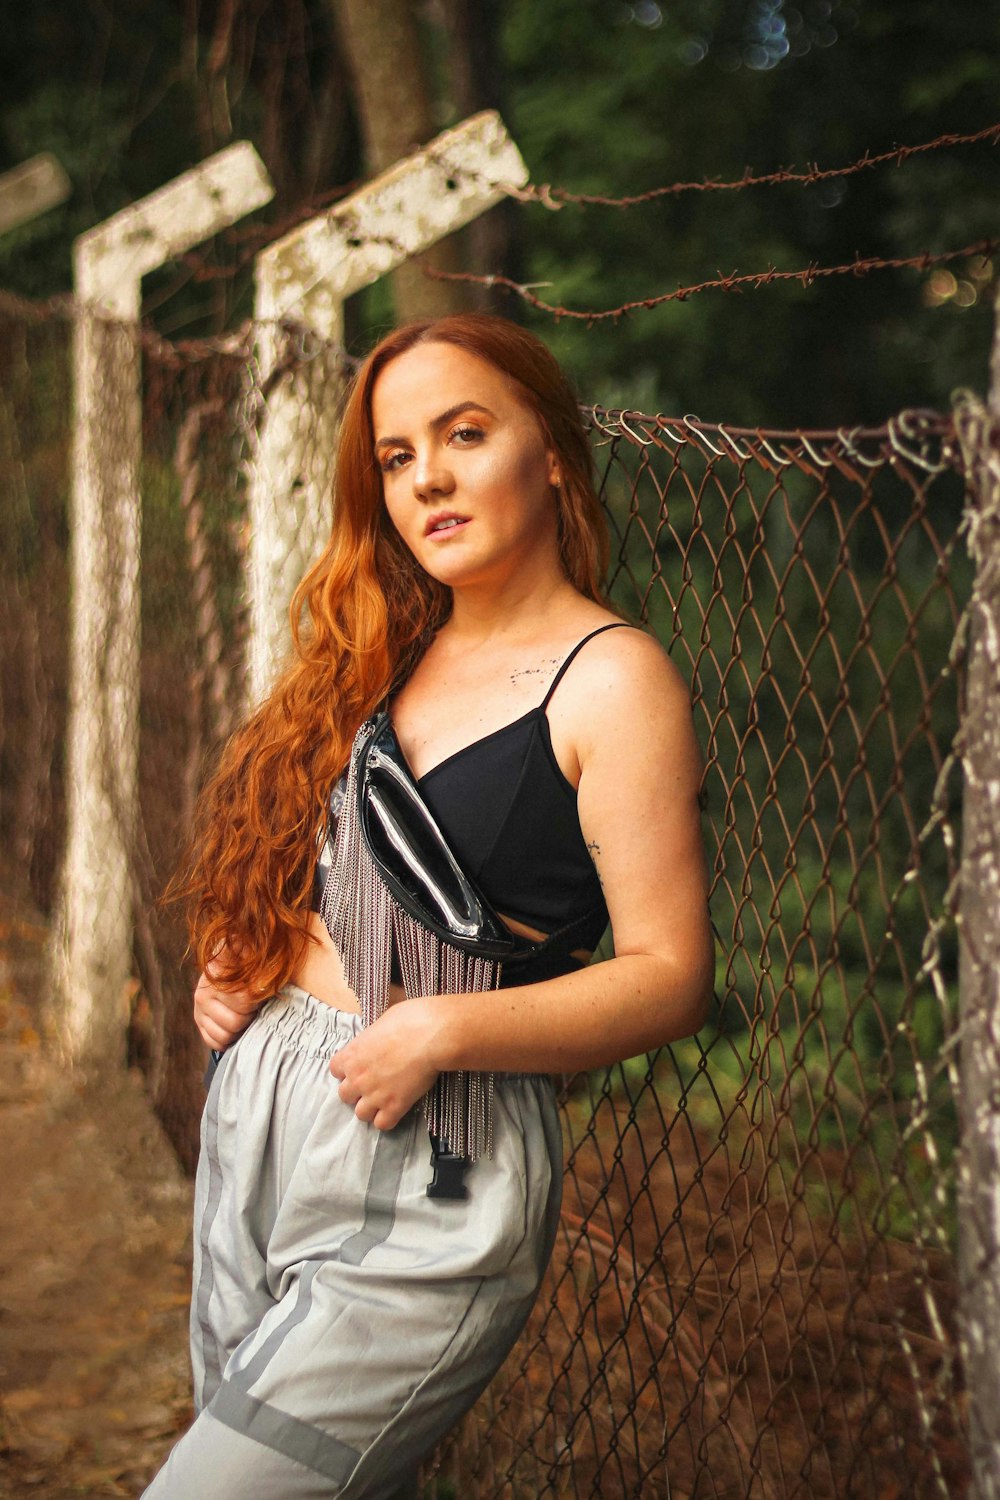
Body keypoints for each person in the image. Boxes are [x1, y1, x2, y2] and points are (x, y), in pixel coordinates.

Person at [143, 313, 714, 1500]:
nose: (428, 480)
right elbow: (332, 865)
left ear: (548, 453)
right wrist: (253, 949)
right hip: (264, 1106)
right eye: (397, 457)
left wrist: (447, 1029)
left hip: (432, 1149)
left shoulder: (612, 680)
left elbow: (669, 973)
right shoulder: (384, 643)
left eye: (464, 434)